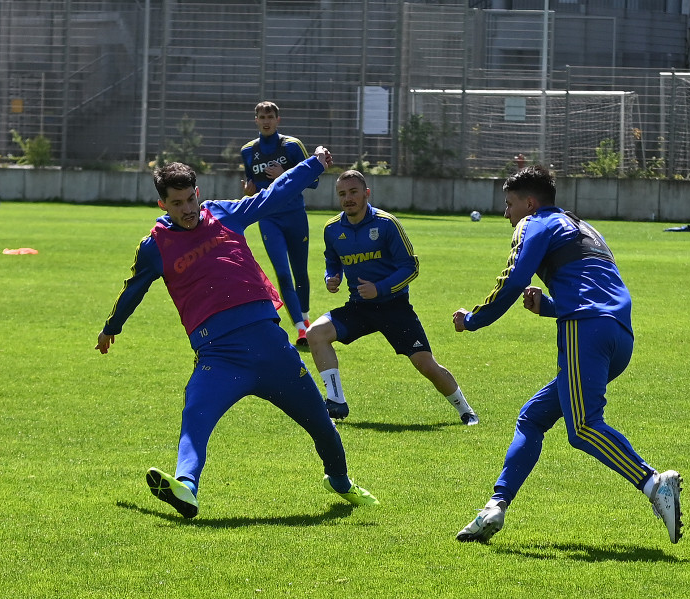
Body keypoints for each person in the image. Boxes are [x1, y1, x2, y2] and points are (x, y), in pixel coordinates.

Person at [96, 148, 378, 518]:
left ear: (198, 193)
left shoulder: (224, 214)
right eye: (176, 203)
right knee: (195, 416)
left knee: (322, 427)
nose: (186, 209)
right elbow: (133, 288)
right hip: (220, 355)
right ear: (161, 203)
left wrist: (313, 165)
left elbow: (272, 195)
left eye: (189, 199)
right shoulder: (155, 247)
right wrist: (110, 328)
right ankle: (186, 488)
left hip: (272, 349)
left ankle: (339, 481)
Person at [452, 165, 682, 544]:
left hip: (586, 330)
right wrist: (548, 308)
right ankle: (496, 505)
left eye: (509, 204)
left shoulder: (535, 223)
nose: (505, 214)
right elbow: (594, 289)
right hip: (618, 335)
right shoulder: (583, 226)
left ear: (529, 202)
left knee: (583, 428)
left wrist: (473, 319)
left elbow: (513, 279)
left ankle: (655, 483)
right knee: (532, 417)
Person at [306, 170, 478, 425]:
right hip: (359, 307)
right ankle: (336, 402)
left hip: (394, 307)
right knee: (315, 333)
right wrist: (331, 277)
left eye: (353, 192)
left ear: (366, 193)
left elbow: (411, 267)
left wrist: (381, 288)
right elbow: (332, 261)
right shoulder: (332, 229)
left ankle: (465, 410)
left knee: (425, 365)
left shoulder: (386, 224)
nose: (348, 198)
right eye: (342, 194)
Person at [240, 101, 316, 346]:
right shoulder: (248, 151)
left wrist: (286, 173)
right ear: (255, 120)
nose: (266, 121)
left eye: (270, 116)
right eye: (261, 116)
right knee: (282, 274)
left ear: (278, 120)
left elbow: (313, 182)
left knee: (300, 272)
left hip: (295, 216)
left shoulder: (293, 146)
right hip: (269, 218)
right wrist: (249, 191)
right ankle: (301, 329)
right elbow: (252, 186)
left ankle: (305, 318)